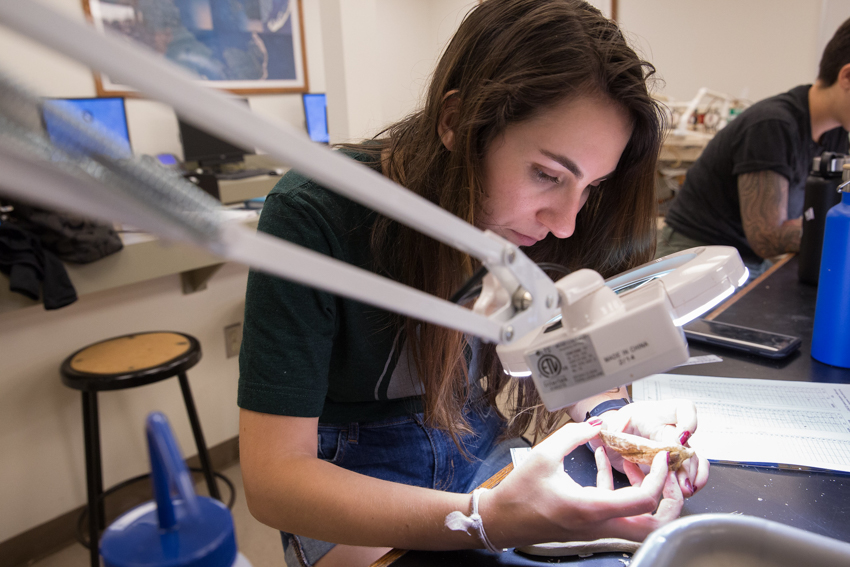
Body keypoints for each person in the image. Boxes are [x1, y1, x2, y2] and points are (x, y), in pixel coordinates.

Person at [238, 2, 708, 566]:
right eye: (547, 174)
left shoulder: (535, 226)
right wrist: (480, 518)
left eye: (590, 187)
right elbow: (275, 480)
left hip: (475, 442)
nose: (564, 221)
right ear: (457, 121)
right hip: (352, 476)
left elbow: (562, 354)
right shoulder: (315, 215)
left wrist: (620, 422)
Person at [658, 17, 850, 276]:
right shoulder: (773, 125)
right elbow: (767, 238)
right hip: (695, 253)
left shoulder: (837, 131)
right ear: (847, 77)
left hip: (745, 258)